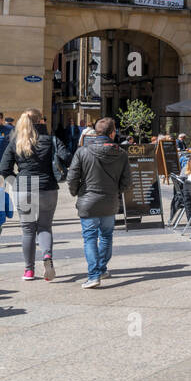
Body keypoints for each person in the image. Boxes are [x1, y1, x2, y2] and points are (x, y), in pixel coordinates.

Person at [0, 107, 67, 281]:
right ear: (41, 121)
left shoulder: (16, 141)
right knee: (45, 227)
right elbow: (67, 157)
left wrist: (17, 183)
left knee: (28, 230)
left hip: (24, 188)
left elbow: (4, 168)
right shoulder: (51, 140)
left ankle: (29, 270)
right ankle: (47, 256)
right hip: (47, 187)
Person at [66, 117, 130, 288]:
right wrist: (116, 191)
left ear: (95, 132)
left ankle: (94, 274)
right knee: (106, 236)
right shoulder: (122, 154)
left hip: (88, 200)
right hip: (110, 201)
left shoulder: (83, 151)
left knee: (90, 238)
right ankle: (101, 269)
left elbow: (72, 177)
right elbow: (127, 182)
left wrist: (76, 192)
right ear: (113, 132)